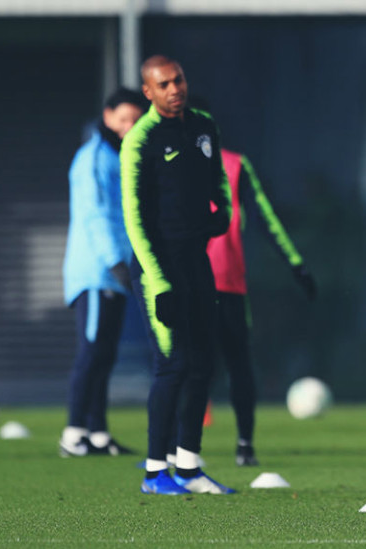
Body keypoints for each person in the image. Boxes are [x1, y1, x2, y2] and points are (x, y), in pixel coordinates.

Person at [121, 55, 234, 495]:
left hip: (195, 260)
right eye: (164, 84)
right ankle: (155, 472)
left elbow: (218, 180)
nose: (175, 89)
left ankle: (188, 466)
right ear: (148, 91)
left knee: (204, 362)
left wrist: (222, 211)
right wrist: (160, 283)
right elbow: (134, 219)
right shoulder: (140, 139)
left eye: (178, 80)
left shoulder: (204, 125)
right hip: (158, 268)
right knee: (173, 365)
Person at [185, 96, 318, 466]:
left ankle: (225, 447)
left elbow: (263, 216)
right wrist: (296, 265)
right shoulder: (204, 164)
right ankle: (218, 448)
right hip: (198, 283)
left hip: (218, 282)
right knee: (212, 366)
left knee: (217, 365)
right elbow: (265, 218)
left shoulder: (232, 165)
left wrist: (296, 265)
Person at [60, 87, 148, 458]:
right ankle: (73, 434)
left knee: (105, 354)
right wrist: (115, 262)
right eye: (123, 118)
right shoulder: (94, 157)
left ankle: (97, 434)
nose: (129, 126)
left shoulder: (117, 155)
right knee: (92, 352)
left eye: (135, 120)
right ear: (108, 116)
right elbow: (96, 214)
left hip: (113, 272)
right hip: (97, 272)